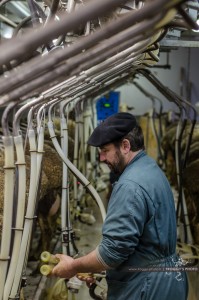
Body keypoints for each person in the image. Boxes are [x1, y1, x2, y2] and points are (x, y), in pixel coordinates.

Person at [51, 112, 188, 300]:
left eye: (105, 150)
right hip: (166, 278)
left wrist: (73, 266)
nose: (101, 158)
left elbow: (111, 253)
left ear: (125, 146)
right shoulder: (149, 168)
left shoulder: (130, 185)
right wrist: (95, 267)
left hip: (147, 286)